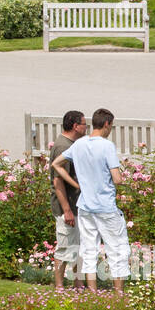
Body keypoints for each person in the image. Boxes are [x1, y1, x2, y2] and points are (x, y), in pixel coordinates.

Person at [54, 108, 130, 293]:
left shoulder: (79, 144)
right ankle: (119, 294)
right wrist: (128, 182)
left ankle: (93, 294)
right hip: (105, 207)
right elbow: (117, 178)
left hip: (85, 207)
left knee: (88, 251)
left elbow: (56, 164)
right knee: (118, 249)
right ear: (106, 124)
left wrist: (77, 184)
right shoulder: (107, 146)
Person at [48, 110, 86, 289]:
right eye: (85, 124)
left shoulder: (71, 144)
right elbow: (58, 181)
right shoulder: (63, 147)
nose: (87, 128)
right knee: (65, 246)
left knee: (77, 245)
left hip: (75, 205)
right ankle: (59, 286)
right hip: (67, 206)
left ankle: (78, 282)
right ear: (75, 126)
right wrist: (67, 210)